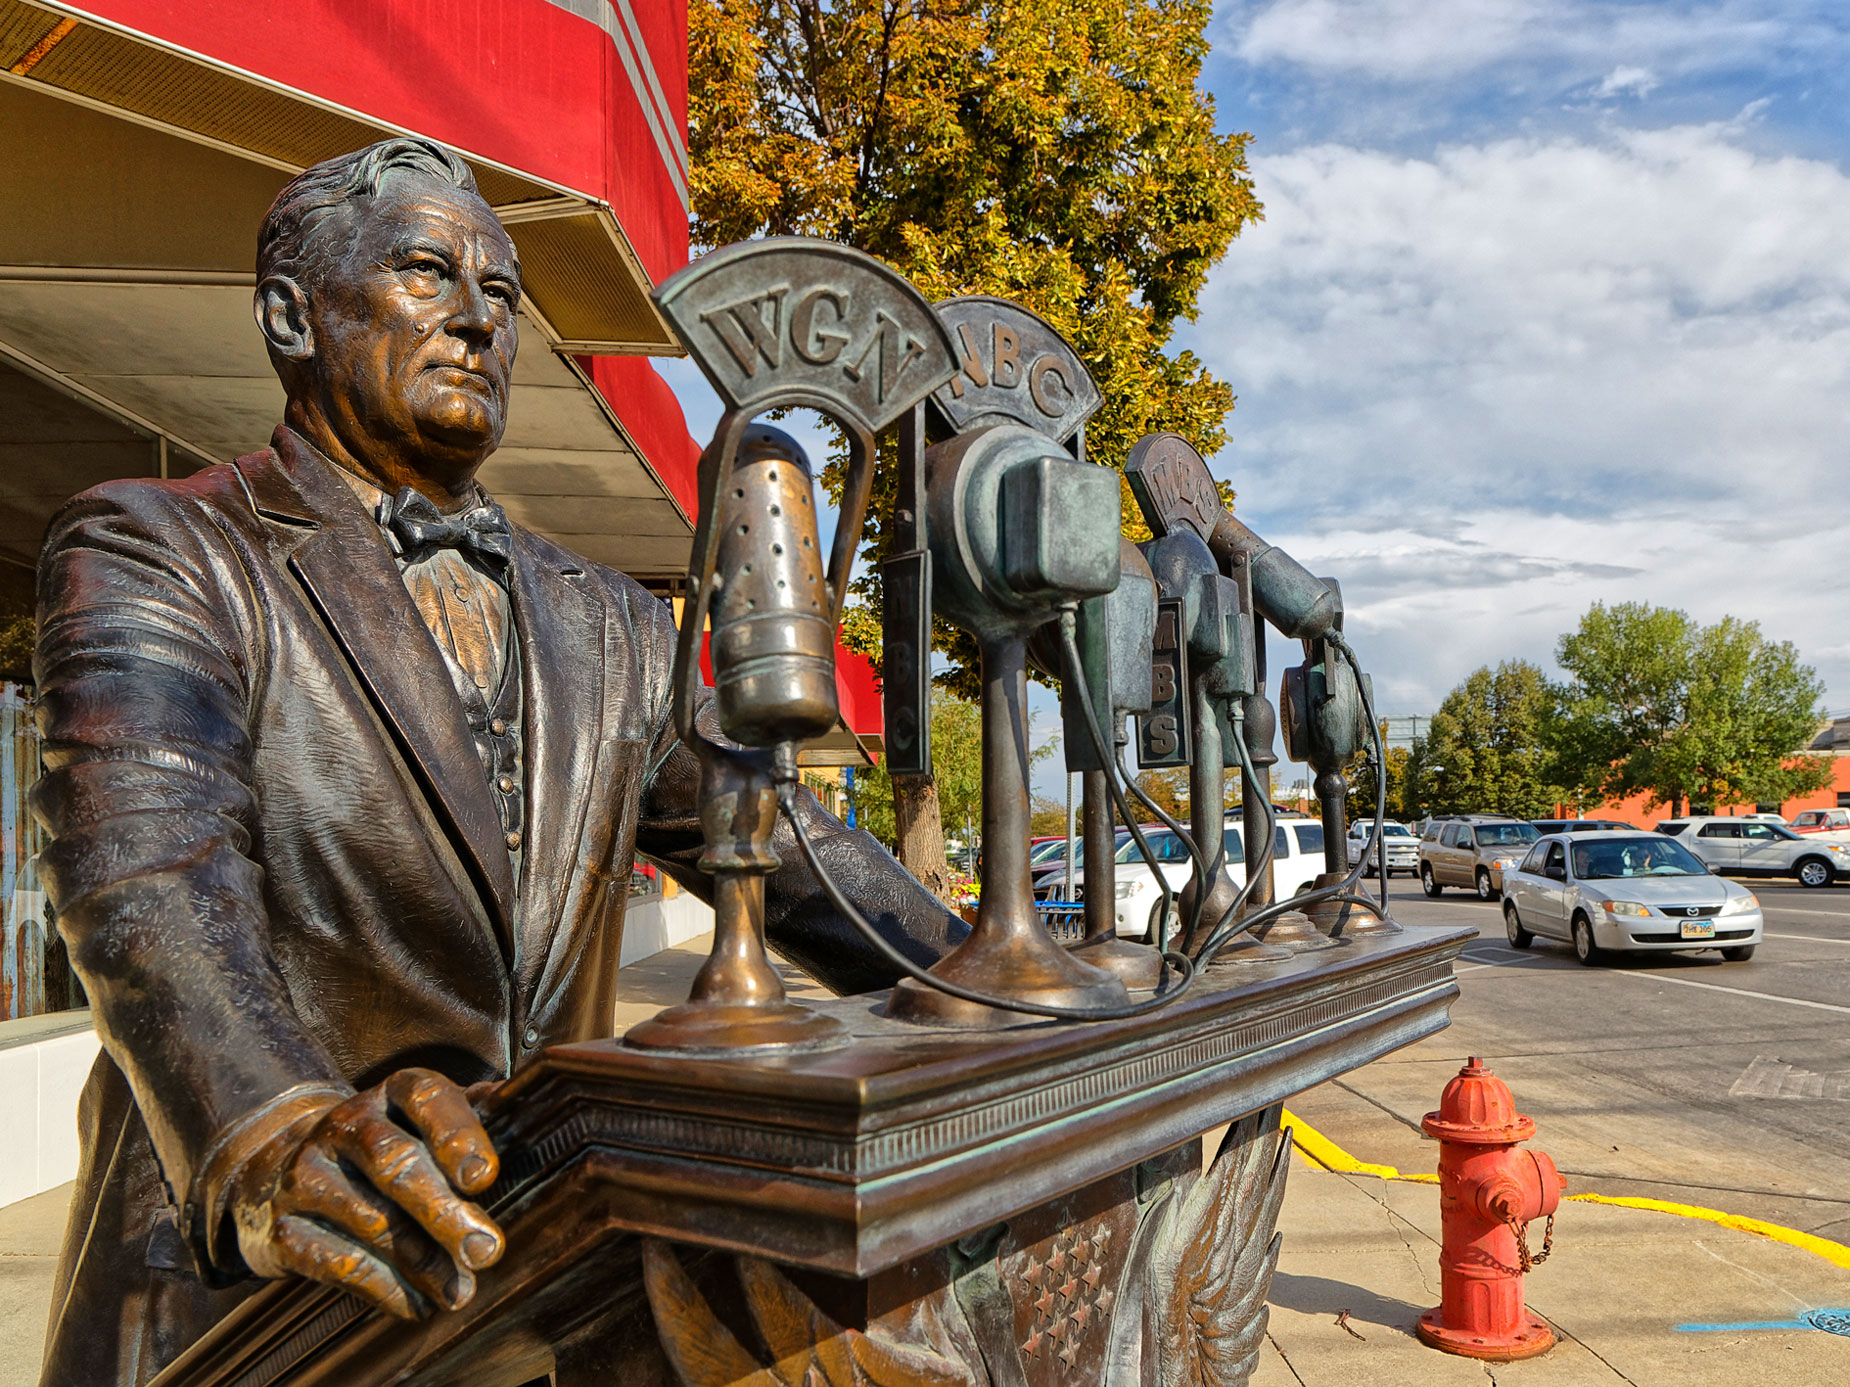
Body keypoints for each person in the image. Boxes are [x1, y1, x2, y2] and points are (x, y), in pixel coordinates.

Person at [32, 138, 961, 1387]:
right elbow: (147, 873)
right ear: (291, 317)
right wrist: (269, 1121)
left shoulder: (608, 618)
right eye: (426, 272)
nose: (478, 318)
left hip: (524, 1292)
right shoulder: (164, 547)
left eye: (503, 292)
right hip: (261, 1304)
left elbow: (791, 850)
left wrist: (983, 973)